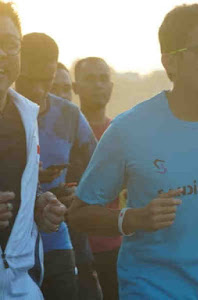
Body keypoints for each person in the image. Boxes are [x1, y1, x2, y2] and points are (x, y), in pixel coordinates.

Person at [69, 4, 198, 299]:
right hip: (151, 290)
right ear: (171, 63)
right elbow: (78, 214)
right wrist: (133, 219)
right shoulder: (129, 129)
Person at [15, 32, 100, 300]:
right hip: (12, 247)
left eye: (47, 80)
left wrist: (78, 193)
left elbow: (99, 170)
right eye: (30, 81)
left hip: (57, 244)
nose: (40, 90)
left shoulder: (69, 115)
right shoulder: (7, 115)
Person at [0, 2, 66, 299]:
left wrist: (36, 206)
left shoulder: (25, 115)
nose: (2, 53)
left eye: (10, 45)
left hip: (20, 285)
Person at [73, 56, 121, 300]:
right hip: (74, 249)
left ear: (112, 87)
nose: (98, 85)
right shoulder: (65, 133)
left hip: (116, 247)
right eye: (90, 79)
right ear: (76, 88)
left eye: (103, 79)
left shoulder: (121, 133)